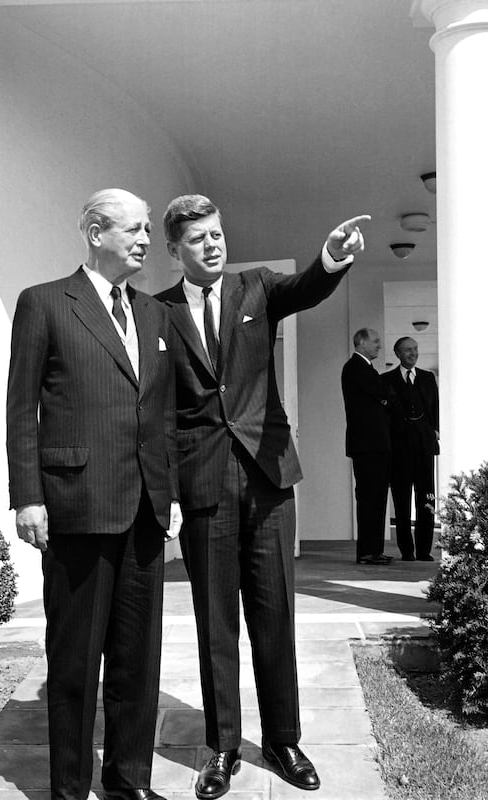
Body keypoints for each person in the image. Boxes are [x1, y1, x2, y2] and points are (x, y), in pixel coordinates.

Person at [156, 194, 369, 799]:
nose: (213, 245)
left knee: (275, 615)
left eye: (218, 234)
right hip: (203, 485)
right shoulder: (159, 313)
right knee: (215, 622)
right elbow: (159, 411)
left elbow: (305, 288)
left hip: (270, 480)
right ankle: (222, 746)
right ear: (176, 249)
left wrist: (331, 259)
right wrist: (167, 490)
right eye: (198, 239)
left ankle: (283, 739)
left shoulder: (257, 289)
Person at [6, 188, 182, 800]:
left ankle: (129, 780)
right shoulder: (45, 303)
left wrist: (172, 494)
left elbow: (159, 415)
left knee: (138, 660)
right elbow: (20, 406)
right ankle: (69, 789)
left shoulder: (155, 314)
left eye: (145, 233)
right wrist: (27, 495)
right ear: (94, 231)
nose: (143, 242)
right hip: (76, 507)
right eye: (132, 230)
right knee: (77, 662)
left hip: (145, 512)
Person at [381, 336, 439, 562]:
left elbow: (436, 407)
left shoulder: (427, 378)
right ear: (398, 354)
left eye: (415, 349)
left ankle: (424, 550)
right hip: (399, 451)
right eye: (407, 350)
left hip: (424, 448)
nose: (413, 353)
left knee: (427, 499)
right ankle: (407, 551)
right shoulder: (386, 380)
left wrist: (435, 430)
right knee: (401, 501)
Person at [341, 328, 393, 565]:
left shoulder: (366, 369)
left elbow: (382, 395)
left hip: (374, 445)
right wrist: (383, 397)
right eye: (375, 341)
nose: (379, 346)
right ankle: (367, 552)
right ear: (361, 343)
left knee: (377, 497)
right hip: (367, 445)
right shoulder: (355, 367)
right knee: (370, 497)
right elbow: (382, 392)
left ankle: (374, 550)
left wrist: (383, 397)